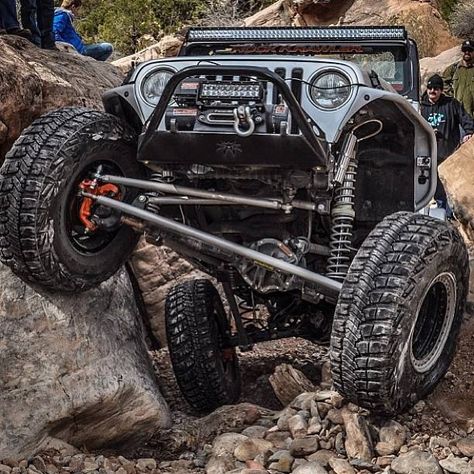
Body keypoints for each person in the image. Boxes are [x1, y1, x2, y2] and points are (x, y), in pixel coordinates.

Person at [421, 74, 474, 215]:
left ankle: (449, 216)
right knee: (425, 187)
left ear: (441, 90)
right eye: (430, 88)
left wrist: (469, 132)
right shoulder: (420, 106)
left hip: (448, 155)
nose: (433, 91)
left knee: (447, 189)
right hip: (426, 155)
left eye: (436, 88)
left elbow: (467, 120)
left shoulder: (451, 104)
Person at [443, 40, 474, 118]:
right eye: (464, 50)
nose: (467, 52)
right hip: (456, 115)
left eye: (470, 50)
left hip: (471, 116)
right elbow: (443, 82)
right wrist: (452, 95)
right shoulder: (453, 69)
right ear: (461, 52)